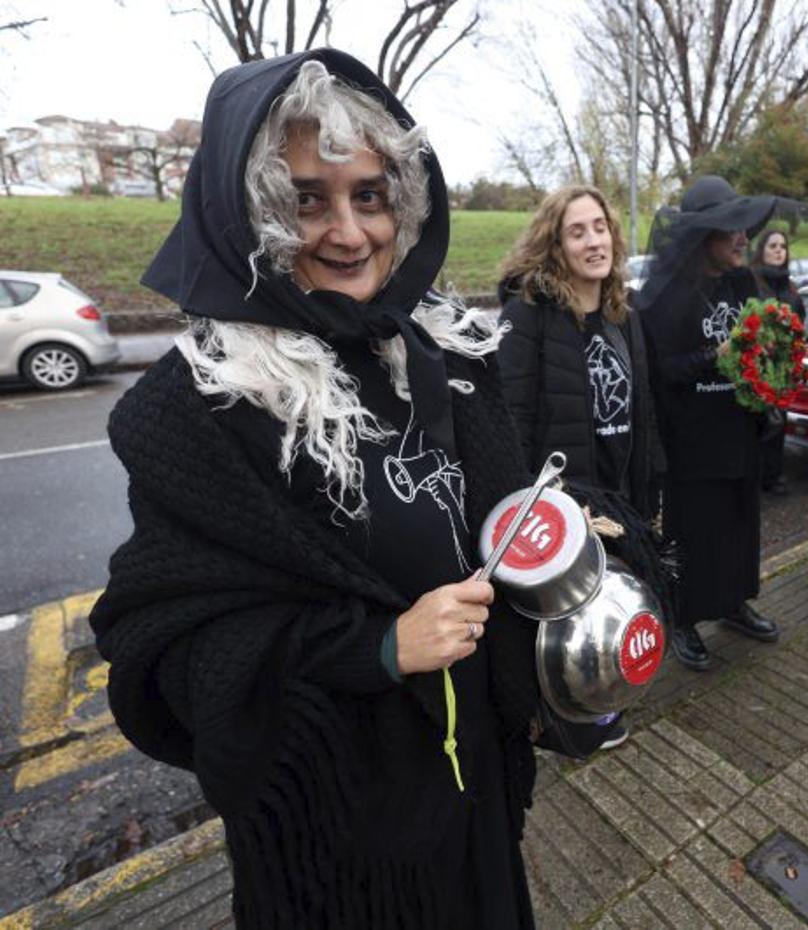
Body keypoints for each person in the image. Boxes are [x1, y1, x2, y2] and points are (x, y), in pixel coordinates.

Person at [89, 51, 540, 928]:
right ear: (244, 213)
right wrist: (377, 648)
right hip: (336, 837)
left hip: (473, 785)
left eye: (369, 195)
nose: (348, 232)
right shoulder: (205, 406)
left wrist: (555, 535)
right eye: (305, 200)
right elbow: (169, 656)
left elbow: (493, 511)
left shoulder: (444, 355)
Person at [496, 184, 664, 747]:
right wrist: (546, 505)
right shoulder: (529, 317)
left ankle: (602, 706)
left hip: (620, 495)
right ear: (556, 245)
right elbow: (511, 422)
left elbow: (644, 413)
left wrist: (649, 494)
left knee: (607, 612)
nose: (594, 241)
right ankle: (559, 722)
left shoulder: (624, 315)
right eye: (577, 231)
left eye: (599, 228)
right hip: (565, 505)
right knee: (557, 622)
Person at [637, 175, 781, 671]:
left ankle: (733, 602)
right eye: (731, 229)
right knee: (692, 534)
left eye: (744, 228)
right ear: (704, 237)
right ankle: (683, 618)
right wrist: (712, 356)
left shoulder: (742, 282)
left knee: (739, 529)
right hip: (691, 443)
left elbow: (759, 341)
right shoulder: (664, 297)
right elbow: (659, 375)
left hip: (738, 432)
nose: (744, 238)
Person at [749, 228, 806, 496]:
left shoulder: (792, 289)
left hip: (781, 369)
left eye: (782, 246)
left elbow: (800, 326)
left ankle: (772, 476)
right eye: (772, 245)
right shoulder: (751, 282)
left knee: (777, 423)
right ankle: (753, 476)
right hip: (753, 365)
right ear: (762, 250)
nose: (778, 250)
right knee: (754, 423)